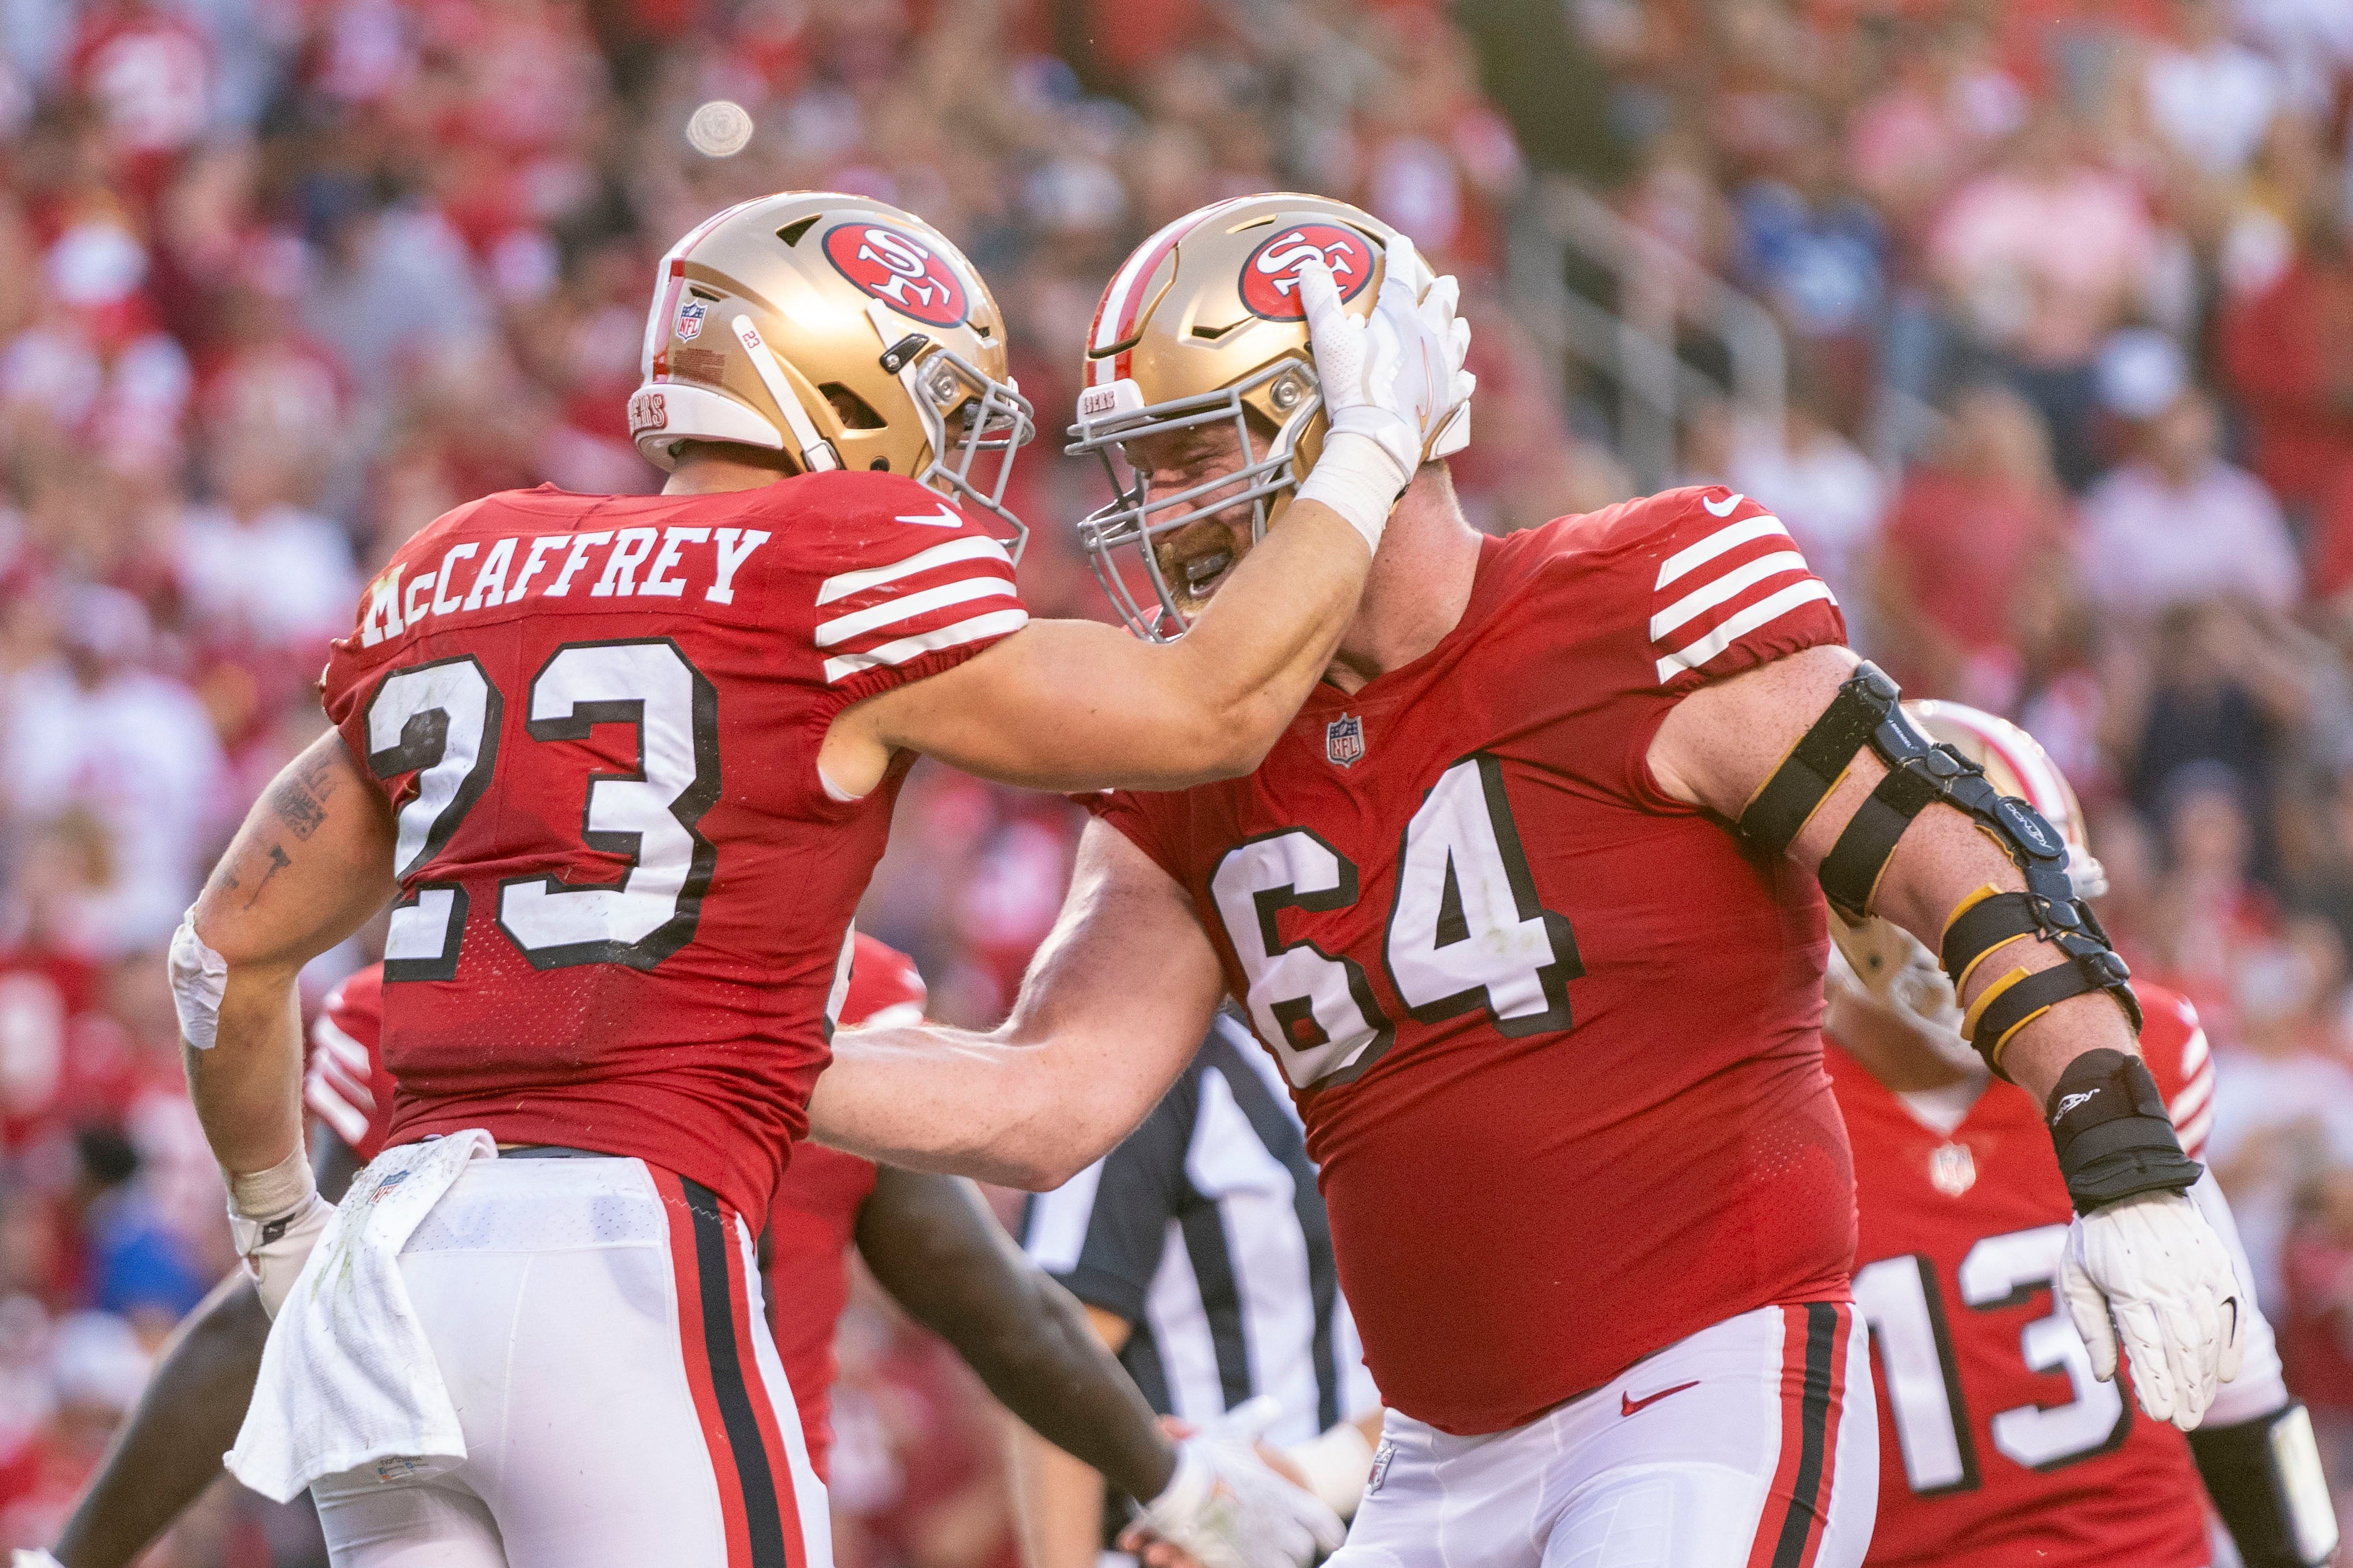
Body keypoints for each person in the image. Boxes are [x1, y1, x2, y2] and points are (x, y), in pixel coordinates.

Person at [808, 190, 2249, 1568]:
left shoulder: (1637, 601)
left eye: (1191, 455)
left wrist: (2117, 1155)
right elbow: (1047, 1097)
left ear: (1339, 425)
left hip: (1702, 1386)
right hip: (1434, 1457)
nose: (1156, 511)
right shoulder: (1190, 763)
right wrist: (726, 1046)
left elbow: (1954, 863)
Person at [165, 190, 1470, 1568]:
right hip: (622, 1243)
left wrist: (278, 1227)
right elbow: (1203, 713)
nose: (949, 457)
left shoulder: (460, 561)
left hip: (389, 1278)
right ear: (836, 375)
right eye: (935, 401)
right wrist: (1370, 446)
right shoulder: (833, 557)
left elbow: (220, 958)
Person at [32, 939, 1213, 1568]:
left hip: (429, 1483)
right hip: (704, 1491)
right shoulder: (833, 990)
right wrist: (1186, 1488)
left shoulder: (414, 997)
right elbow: (992, 1306)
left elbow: (277, 1306)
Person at [1825, 702, 2336, 1568]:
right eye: (2001, 913)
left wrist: (2310, 1556)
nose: (2037, 942)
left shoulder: (2142, 1057)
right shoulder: (1777, 1110)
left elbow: (2241, 1382)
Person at [1017, 1012, 1384, 1567]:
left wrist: (1316, 1472)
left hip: (1380, 1526)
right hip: (1184, 1548)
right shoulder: (1139, 1070)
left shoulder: (1387, 1042)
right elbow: (1056, 1365)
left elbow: (1469, 1347)